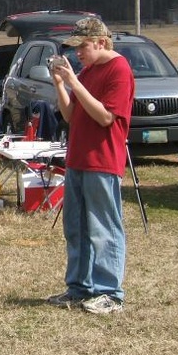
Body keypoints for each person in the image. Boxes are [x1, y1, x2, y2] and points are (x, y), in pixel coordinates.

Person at [46, 17, 134, 315]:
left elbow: (106, 117)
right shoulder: (87, 71)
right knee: (76, 227)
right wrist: (60, 84)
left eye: (83, 46)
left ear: (101, 42)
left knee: (104, 227)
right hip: (78, 159)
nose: (78, 53)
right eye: (75, 47)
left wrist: (74, 82)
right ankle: (79, 287)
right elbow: (71, 115)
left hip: (102, 160)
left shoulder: (119, 69)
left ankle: (110, 292)